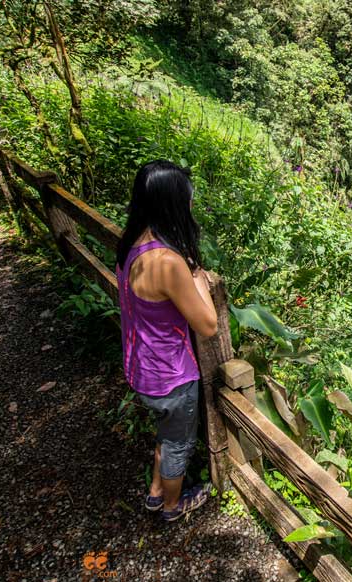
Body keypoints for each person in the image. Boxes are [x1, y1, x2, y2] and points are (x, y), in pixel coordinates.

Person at [115, 160, 218, 522]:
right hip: (171, 377)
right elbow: (208, 326)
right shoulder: (167, 262)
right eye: (187, 198)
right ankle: (173, 507)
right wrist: (201, 283)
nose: (191, 205)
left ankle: (156, 493)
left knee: (166, 432)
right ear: (172, 203)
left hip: (142, 370)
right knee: (178, 443)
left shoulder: (132, 246)